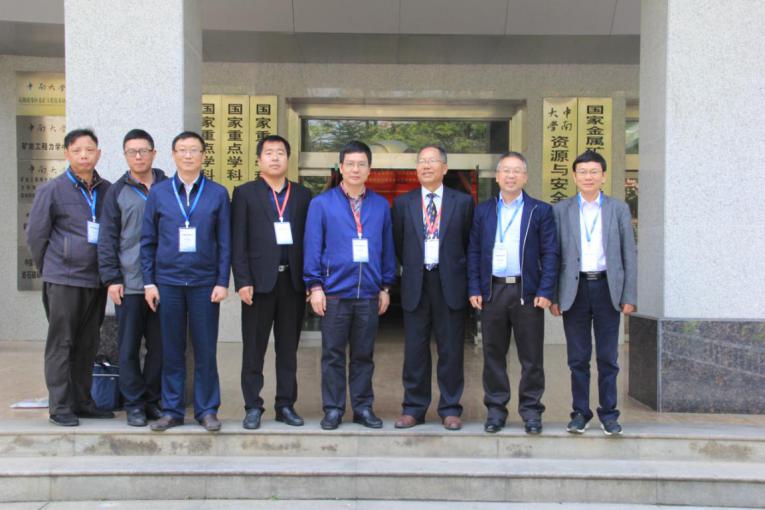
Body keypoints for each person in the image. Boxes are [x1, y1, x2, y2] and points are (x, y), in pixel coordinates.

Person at [141, 131, 231, 433]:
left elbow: (225, 242)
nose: (188, 155)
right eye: (182, 150)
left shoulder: (218, 193)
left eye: (194, 150)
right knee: (172, 350)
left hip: (205, 283)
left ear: (203, 155)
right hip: (168, 282)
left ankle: (207, 410)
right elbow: (147, 241)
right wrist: (149, 282)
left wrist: (222, 281)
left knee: (205, 350)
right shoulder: (159, 193)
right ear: (173, 155)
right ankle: (172, 410)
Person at [304, 140, 397, 430]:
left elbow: (387, 249)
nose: (356, 169)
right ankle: (333, 409)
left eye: (362, 164)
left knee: (363, 355)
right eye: (350, 164)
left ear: (369, 170)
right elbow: (313, 247)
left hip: (369, 294)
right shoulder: (322, 204)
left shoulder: (380, 206)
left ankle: (363, 408)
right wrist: (315, 287)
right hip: (333, 294)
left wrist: (385, 287)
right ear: (341, 168)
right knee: (332, 355)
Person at [26, 128, 113, 426]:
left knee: (88, 343)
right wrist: (53, 268)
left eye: (89, 150)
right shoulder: (52, 190)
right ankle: (60, 406)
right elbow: (36, 236)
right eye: (77, 151)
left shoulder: (107, 190)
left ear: (98, 153)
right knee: (61, 344)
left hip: (95, 279)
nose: (84, 155)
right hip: (64, 280)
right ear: (67, 154)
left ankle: (82, 401)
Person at [467, 151, 558, 434]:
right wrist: (474, 287)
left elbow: (551, 253)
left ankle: (531, 411)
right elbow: (473, 251)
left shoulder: (540, 211)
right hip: (492, 290)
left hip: (526, 292)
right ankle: (496, 410)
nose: (510, 175)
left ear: (525, 177)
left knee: (531, 357)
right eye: (505, 170)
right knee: (493, 354)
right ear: (497, 177)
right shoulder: (483, 211)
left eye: (516, 170)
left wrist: (546, 289)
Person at [551, 150, 637, 436]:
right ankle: (580, 413)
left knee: (608, 357)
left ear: (603, 176)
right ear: (574, 176)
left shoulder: (618, 209)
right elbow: (553, 255)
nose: (588, 177)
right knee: (578, 358)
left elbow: (629, 254)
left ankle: (609, 414)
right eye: (583, 172)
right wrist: (554, 296)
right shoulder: (561, 210)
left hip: (607, 288)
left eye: (594, 172)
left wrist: (629, 295)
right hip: (574, 290)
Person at [231, 135, 312, 430]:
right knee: (254, 349)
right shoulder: (245, 193)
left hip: (292, 283)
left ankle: (285, 405)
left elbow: (310, 241)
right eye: (269, 153)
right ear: (259, 159)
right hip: (257, 285)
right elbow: (237, 241)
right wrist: (242, 280)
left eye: (280, 153)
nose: (275, 157)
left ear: (288, 159)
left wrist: (311, 281)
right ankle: (253, 406)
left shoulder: (302, 195)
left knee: (288, 350)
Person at [391, 145, 473, 431]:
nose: (426, 166)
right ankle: (413, 408)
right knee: (415, 351)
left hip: (450, 283)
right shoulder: (403, 203)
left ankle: (450, 408)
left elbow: (469, 244)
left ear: (445, 168)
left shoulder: (463, 202)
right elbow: (398, 243)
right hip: (416, 283)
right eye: (421, 162)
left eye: (432, 161)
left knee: (451, 350)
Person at [98, 129, 166, 427]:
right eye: (132, 152)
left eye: (143, 150)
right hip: (130, 283)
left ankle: (152, 400)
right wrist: (112, 278)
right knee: (128, 348)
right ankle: (134, 404)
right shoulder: (117, 192)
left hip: (164, 283)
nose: (138, 156)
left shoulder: (168, 187)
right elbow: (107, 238)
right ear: (125, 156)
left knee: (160, 348)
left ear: (154, 153)